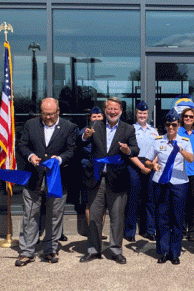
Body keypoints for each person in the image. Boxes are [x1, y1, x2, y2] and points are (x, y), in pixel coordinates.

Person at [15, 98, 77, 266]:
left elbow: (72, 150)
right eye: (45, 114)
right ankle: (27, 251)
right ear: (40, 112)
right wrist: (30, 156)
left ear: (58, 112)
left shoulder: (69, 127)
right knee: (30, 215)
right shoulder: (30, 124)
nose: (48, 117)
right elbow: (22, 145)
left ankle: (50, 250)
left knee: (55, 216)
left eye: (51, 114)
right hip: (34, 177)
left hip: (57, 179)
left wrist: (60, 158)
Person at [80, 97, 139, 264]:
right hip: (96, 178)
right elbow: (81, 143)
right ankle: (93, 250)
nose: (112, 112)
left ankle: (115, 250)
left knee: (117, 217)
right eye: (110, 109)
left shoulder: (128, 129)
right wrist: (85, 136)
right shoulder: (95, 125)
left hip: (118, 179)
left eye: (116, 109)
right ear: (105, 110)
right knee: (94, 217)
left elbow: (135, 149)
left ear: (121, 111)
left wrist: (127, 150)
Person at [145, 109, 194, 265]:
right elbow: (147, 160)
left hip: (179, 183)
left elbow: (191, 159)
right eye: (168, 125)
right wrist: (153, 165)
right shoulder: (158, 140)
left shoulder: (185, 140)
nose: (171, 128)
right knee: (162, 217)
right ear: (165, 126)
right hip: (161, 182)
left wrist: (180, 149)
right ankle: (163, 251)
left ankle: (175, 253)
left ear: (178, 125)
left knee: (177, 219)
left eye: (174, 125)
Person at [124, 100, 158, 242]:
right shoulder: (130, 129)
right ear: (136, 113)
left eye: (144, 113)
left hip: (150, 164)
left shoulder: (154, 131)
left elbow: (158, 150)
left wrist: (151, 165)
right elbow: (129, 152)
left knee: (150, 199)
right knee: (133, 199)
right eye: (140, 113)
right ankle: (130, 231)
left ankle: (149, 230)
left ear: (148, 114)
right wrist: (141, 166)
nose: (142, 115)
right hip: (135, 164)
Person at [78, 106, 107, 238]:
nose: (96, 119)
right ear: (90, 118)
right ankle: (92, 232)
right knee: (90, 202)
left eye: (99, 116)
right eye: (94, 117)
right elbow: (82, 147)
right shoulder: (85, 131)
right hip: (89, 171)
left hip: (105, 172)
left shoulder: (108, 131)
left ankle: (99, 232)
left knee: (103, 204)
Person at [178, 107, 194, 241]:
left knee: (193, 203)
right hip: (180, 171)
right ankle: (181, 229)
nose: (188, 118)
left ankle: (192, 231)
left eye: (191, 117)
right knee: (180, 201)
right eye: (186, 116)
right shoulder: (177, 131)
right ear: (183, 118)